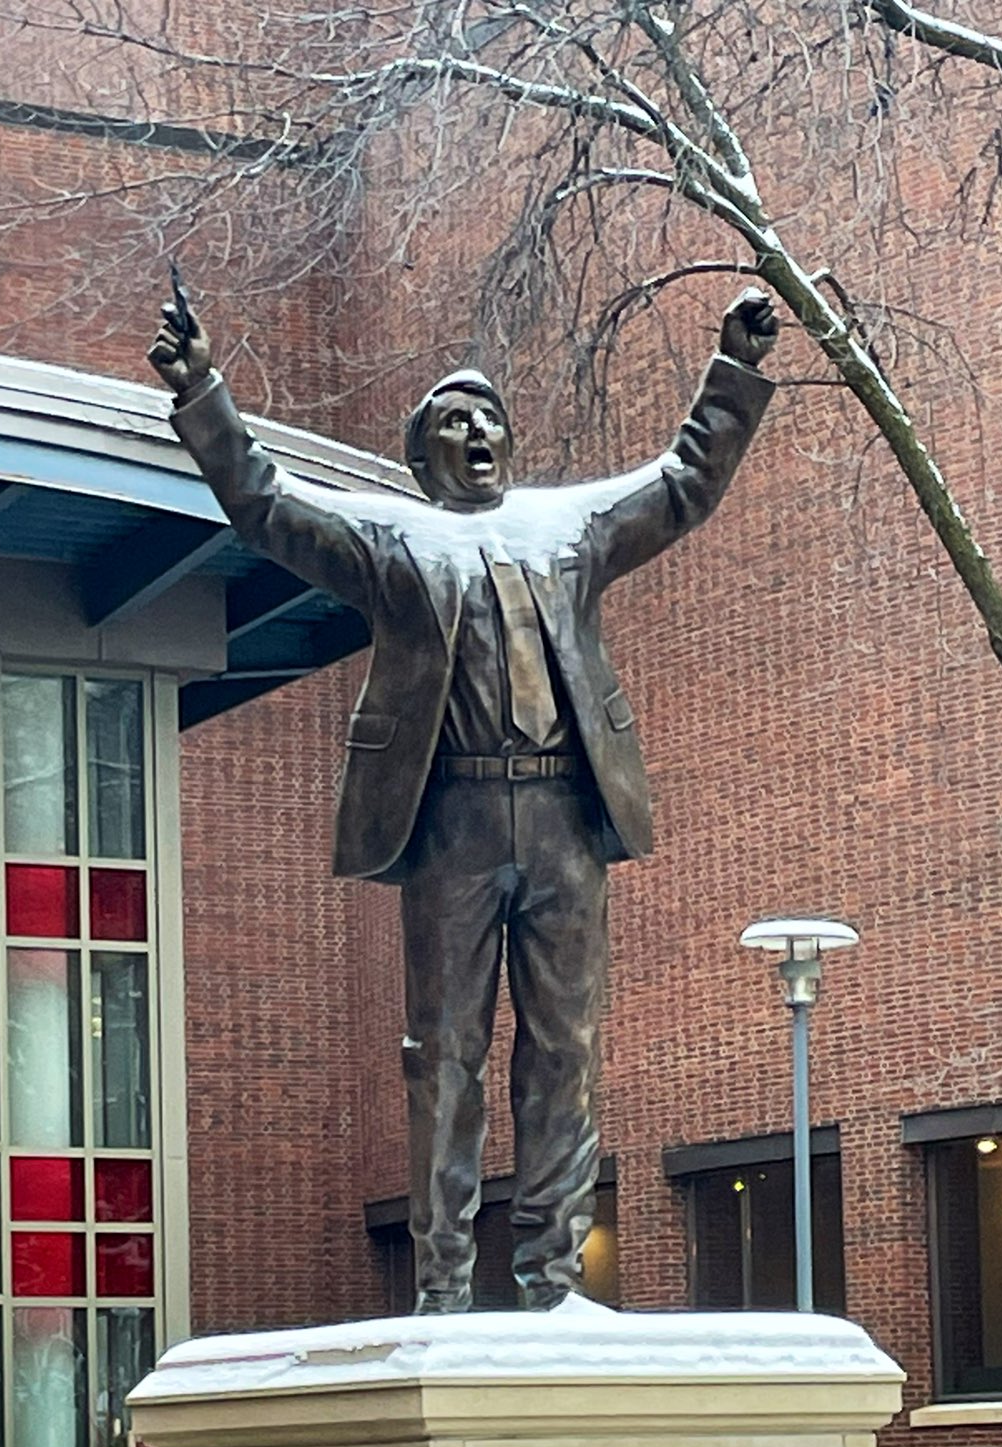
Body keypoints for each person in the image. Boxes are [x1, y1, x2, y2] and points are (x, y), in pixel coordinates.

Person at [149, 287, 778, 1312]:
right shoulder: (391, 537)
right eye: (453, 420)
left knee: (565, 1047)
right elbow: (264, 503)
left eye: (488, 418)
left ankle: (551, 1279)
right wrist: (201, 392)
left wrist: (734, 372)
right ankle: (442, 1280)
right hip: (454, 825)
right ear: (422, 455)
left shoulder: (571, 523)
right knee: (444, 1053)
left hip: (568, 821)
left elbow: (685, 481)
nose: (477, 431)